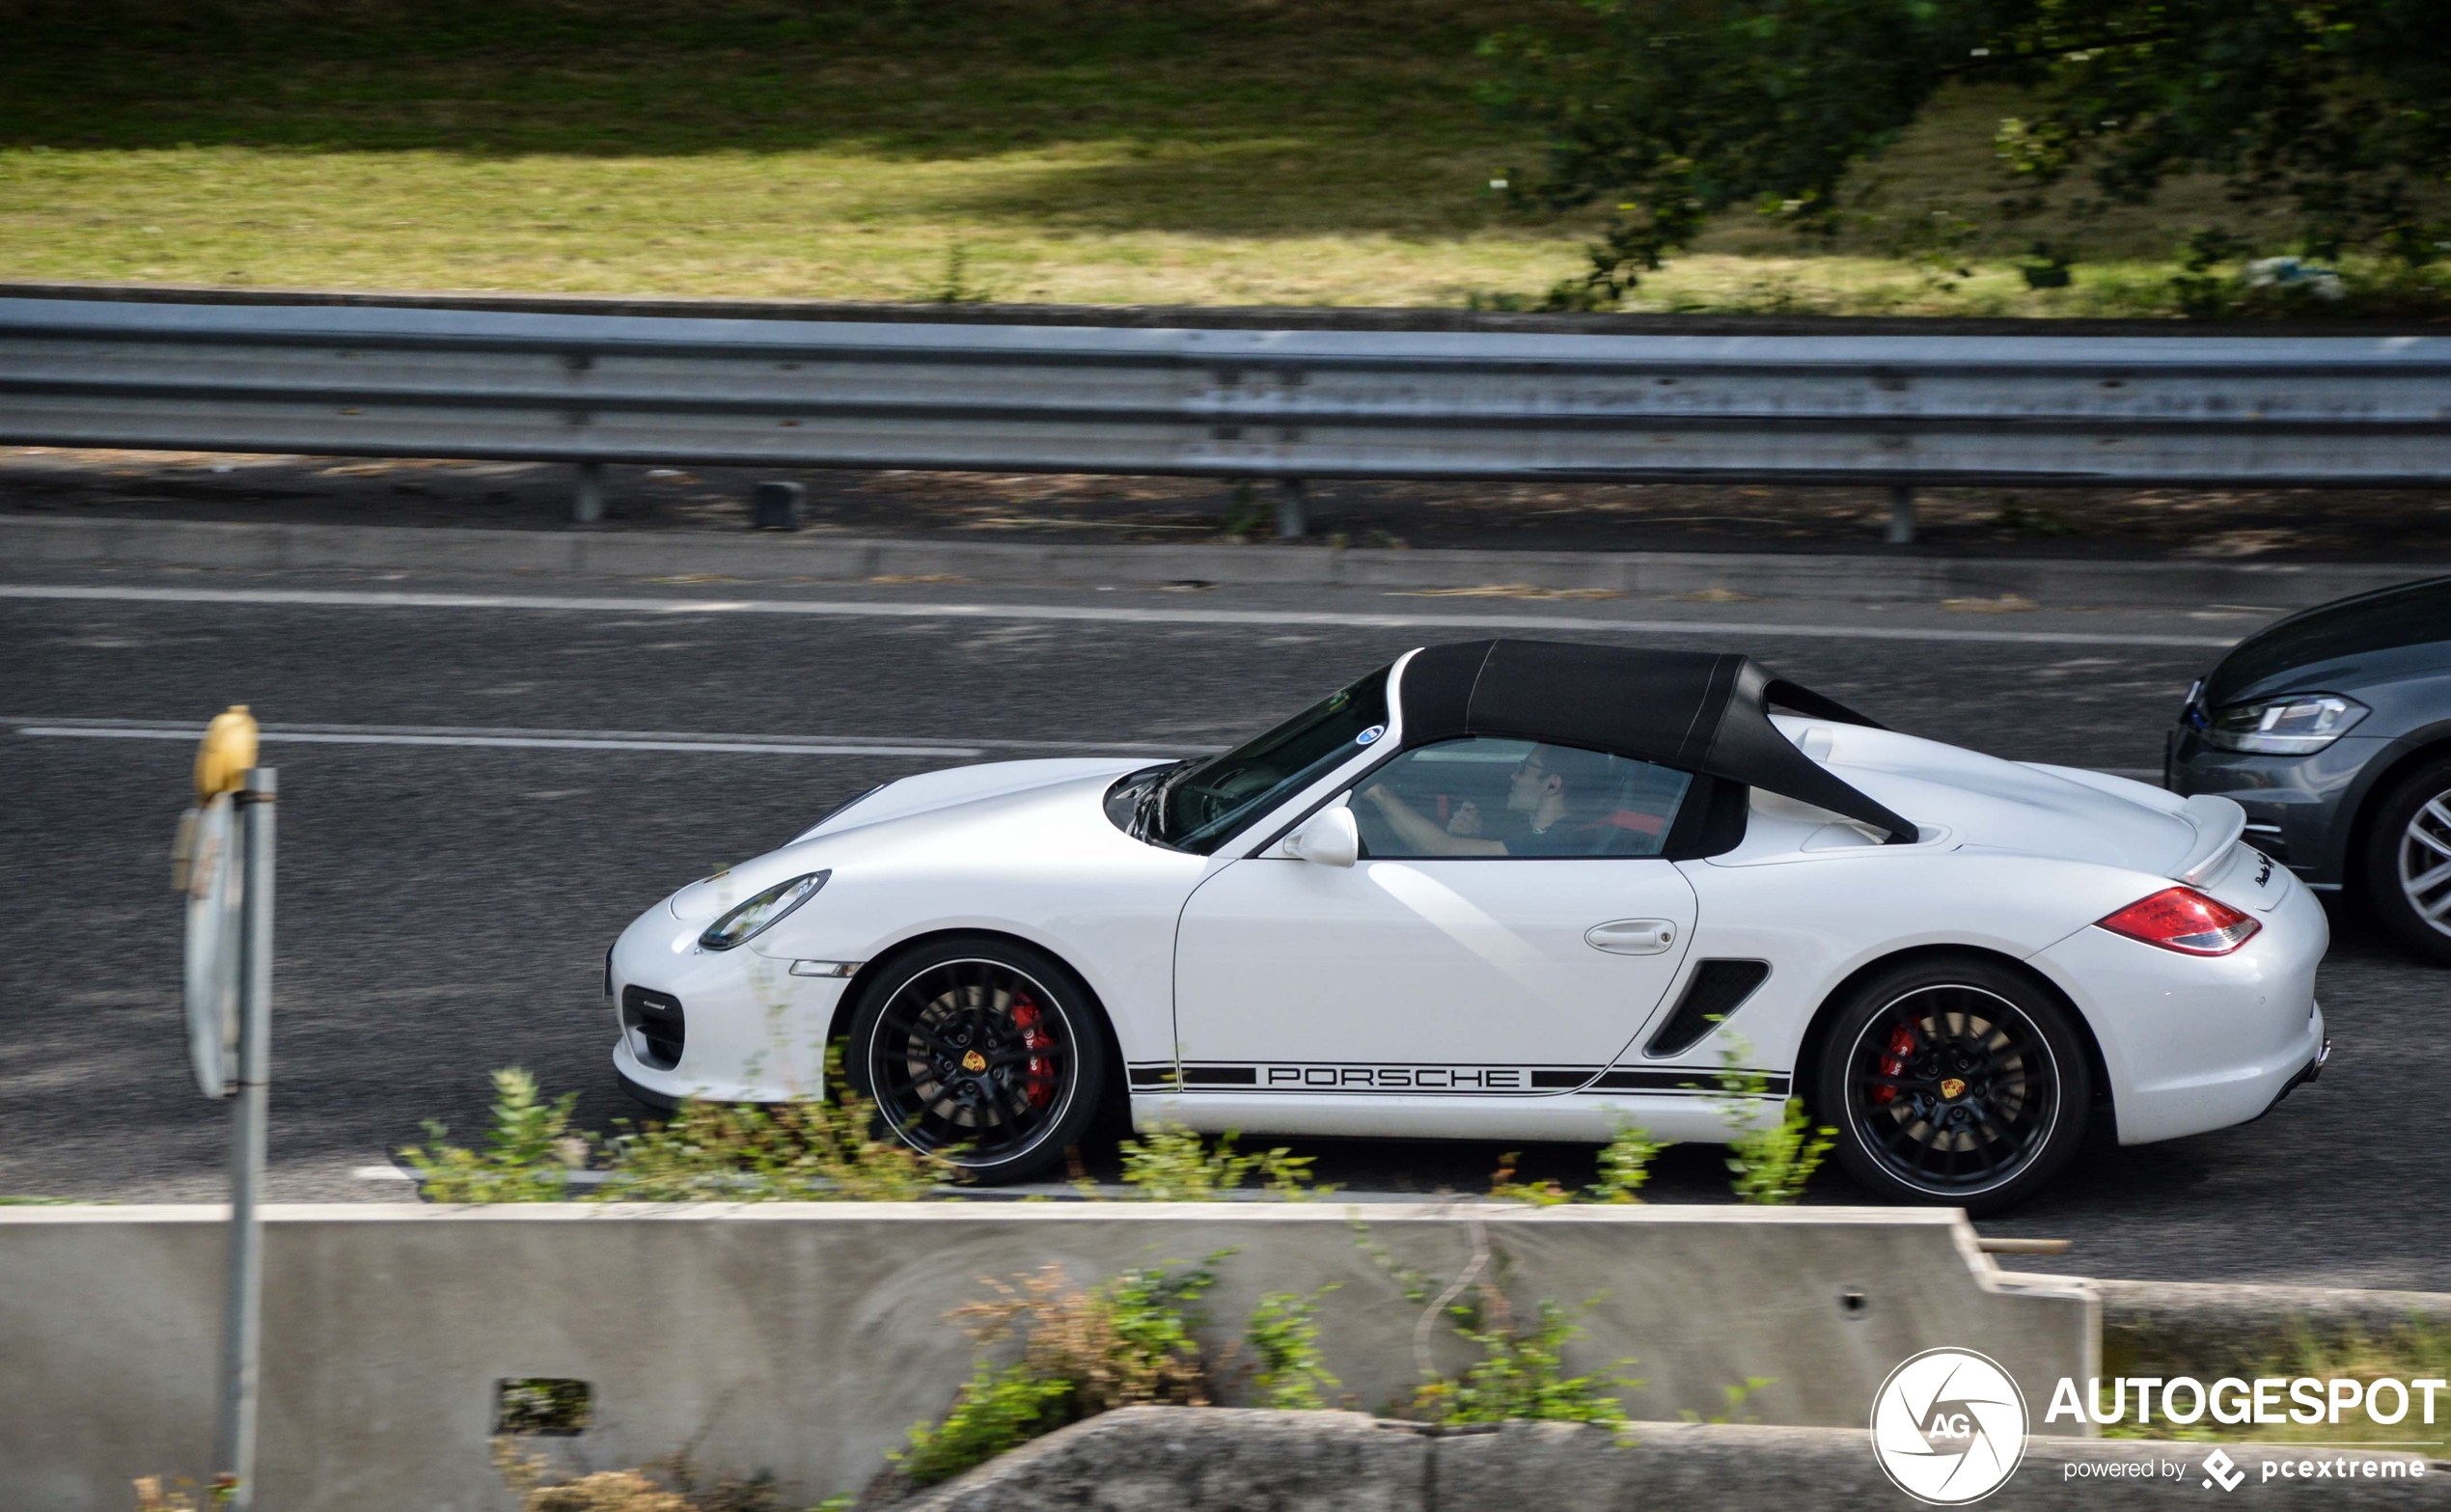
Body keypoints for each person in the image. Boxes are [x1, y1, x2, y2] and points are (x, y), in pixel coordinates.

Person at [1359, 742, 1624, 857]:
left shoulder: (1553, 843)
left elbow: (1440, 848)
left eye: (1524, 769)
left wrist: (1378, 793)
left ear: (1552, 785)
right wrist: (1471, 839)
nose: (1513, 776)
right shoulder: (1559, 835)